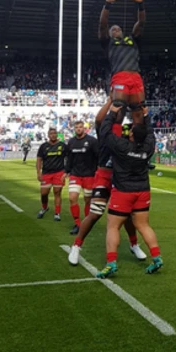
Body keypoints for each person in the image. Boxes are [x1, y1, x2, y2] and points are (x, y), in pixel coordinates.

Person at [68, 98, 147, 265]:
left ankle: (134, 244)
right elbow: (98, 119)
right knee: (95, 213)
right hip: (104, 175)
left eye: (122, 111)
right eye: (118, 110)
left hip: (122, 176)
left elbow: (140, 126)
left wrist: (137, 105)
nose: (120, 112)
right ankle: (76, 246)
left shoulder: (128, 129)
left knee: (126, 216)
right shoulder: (104, 126)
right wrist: (111, 101)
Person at [96, 103, 162, 278]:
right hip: (142, 190)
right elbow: (150, 134)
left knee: (113, 226)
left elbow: (104, 133)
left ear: (131, 135)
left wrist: (112, 113)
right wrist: (146, 117)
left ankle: (111, 263)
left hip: (123, 191)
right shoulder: (148, 147)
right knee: (143, 225)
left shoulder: (121, 146)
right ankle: (156, 258)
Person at [99, 0, 146, 126]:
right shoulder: (108, 42)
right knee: (118, 110)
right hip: (120, 76)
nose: (116, 29)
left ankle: (138, 144)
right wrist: (107, 4)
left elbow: (141, 22)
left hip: (136, 76)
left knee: (138, 111)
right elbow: (103, 24)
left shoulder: (132, 39)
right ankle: (113, 140)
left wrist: (140, 5)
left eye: (118, 28)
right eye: (113, 29)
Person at [65, 121, 99, 235]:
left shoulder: (92, 141)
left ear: (84, 128)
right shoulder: (71, 142)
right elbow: (69, 158)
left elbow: (98, 157)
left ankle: (86, 223)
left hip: (89, 175)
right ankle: (77, 223)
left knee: (88, 200)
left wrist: (98, 171)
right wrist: (66, 171)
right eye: (76, 127)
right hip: (75, 174)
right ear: (74, 129)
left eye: (80, 127)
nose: (78, 129)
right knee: (72, 198)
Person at [36, 128, 67, 221]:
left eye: (54, 133)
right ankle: (44, 207)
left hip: (59, 173)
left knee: (57, 192)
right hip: (46, 173)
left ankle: (57, 213)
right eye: (51, 133)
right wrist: (38, 172)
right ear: (48, 135)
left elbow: (69, 158)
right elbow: (39, 160)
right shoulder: (43, 146)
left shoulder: (63, 146)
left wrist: (66, 171)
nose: (53, 135)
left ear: (57, 135)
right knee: (44, 193)